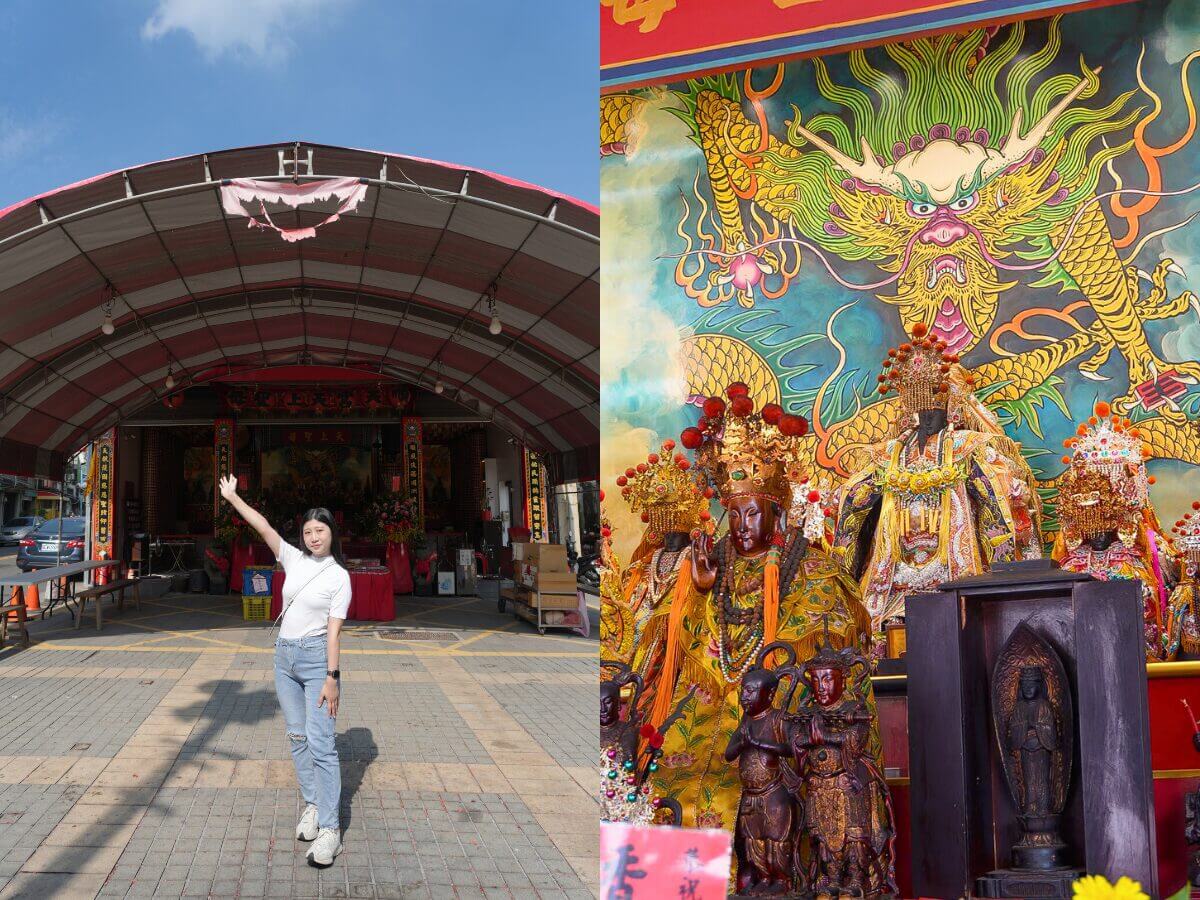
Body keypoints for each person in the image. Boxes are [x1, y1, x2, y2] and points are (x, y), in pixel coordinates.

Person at [218, 474, 350, 867]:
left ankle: (330, 829)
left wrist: (332, 678)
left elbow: (334, 633)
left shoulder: (339, 577)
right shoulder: (292, 558)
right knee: (296, 737)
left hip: (314, 661)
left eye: (320, 530)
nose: (313, 537)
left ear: (331, 533)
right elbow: (263, 527)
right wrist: (232, 498)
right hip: (284, 658)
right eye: (308, 531)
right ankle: (312, 804)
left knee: (322, 742)